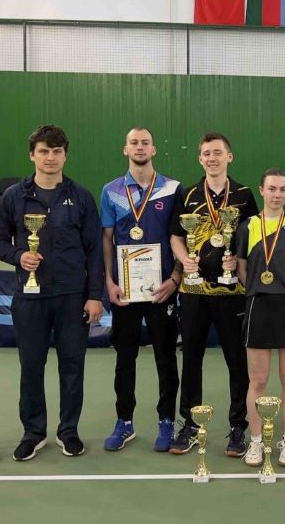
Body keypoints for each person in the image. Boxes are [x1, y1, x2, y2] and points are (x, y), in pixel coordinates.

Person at [0, 125, 104, 460]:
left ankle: (68, 431)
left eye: (56, 151)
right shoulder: (13, 197)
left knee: (72, 367)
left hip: (72, 296)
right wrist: (18, 256)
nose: (50, 158)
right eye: (44, 151)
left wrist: (94, 295)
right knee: (31, 366)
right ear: (32, 155)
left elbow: (94, 251)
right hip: (29, 297)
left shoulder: (81, 197)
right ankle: (33, 432)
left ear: (65, 156)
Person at [168, 132, 258, 457]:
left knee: (237, 360)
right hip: (194, 291)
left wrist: (239, 260)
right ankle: (190, 425)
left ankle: (238, 427)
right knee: (191, 358)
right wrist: (184, 259)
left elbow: (254, 238)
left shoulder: (244, 195)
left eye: (218, 152)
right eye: (206, 153)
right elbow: (176, 236)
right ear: (200, 159)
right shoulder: (188, 194)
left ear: (229, 157)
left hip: (232, 292)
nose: (212, 158)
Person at [99, 127, 183, 452]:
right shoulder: (111, 191)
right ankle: (124, 422)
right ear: (125, 149)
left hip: (163, 289)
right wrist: (109, 281)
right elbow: (107, 239)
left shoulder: (173, 188)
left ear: (154, 149)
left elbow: (181, 238)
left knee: (165, 357)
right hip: (125, 290)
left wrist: (175, 279)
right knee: (125, 358)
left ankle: (167, 420)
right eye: (133, 142)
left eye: (145, 142)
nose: (139, 147)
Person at [236, 168, 285, 468]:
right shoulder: (247, 226)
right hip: (258, 306)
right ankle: (255, 441)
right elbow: (240, 267)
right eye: (272, 189)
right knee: (259, 380)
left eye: (283, 189)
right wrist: (256, 287)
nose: (278, 194)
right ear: (261, 190)